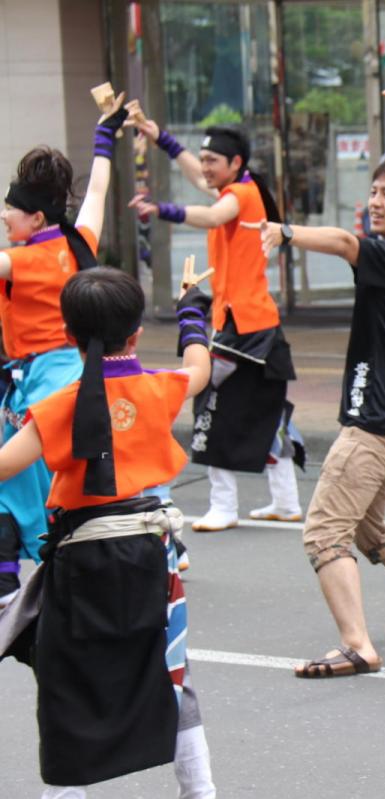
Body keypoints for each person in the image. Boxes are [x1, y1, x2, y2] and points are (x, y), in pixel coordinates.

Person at [250, 82, 385, 679]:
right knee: (372, 530)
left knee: (324, 533)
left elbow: (347, 243)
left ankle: (357, 645)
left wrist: (286, 231)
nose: (375, 200)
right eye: (372, 191)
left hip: (372, 429)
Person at [0, 266, 215, 797]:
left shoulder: (57, 407)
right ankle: (201, 792)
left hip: (82, 563)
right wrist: (191, 309)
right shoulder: (161, 388)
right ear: (137, 333)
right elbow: (200, 366)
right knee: (169, 674)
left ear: (67, 336)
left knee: (69, 685)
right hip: (152, 556)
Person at [129, 114, 304, 531]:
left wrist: (162, 209)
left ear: (236, 162)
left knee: (209, 400)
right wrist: (163, 139)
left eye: (213, 160)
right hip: (252, 323)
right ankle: (285, 500)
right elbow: (198, 178)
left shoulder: (241, 195)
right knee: (268, 411)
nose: (205, 167)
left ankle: (223, 505)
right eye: (204, 159)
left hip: (245, 327)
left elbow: (211, 215)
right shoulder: (236, 186)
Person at [0, 96, 128, 606]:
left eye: (10, 209)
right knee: (45, 475)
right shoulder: (79, 240)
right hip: (61, 372)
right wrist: (104, 136)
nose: (5, 215)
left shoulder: (21, 261)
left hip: (44, 377)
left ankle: (29, 577)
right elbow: (96, 188)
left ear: (33, 216)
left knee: (30, 476)